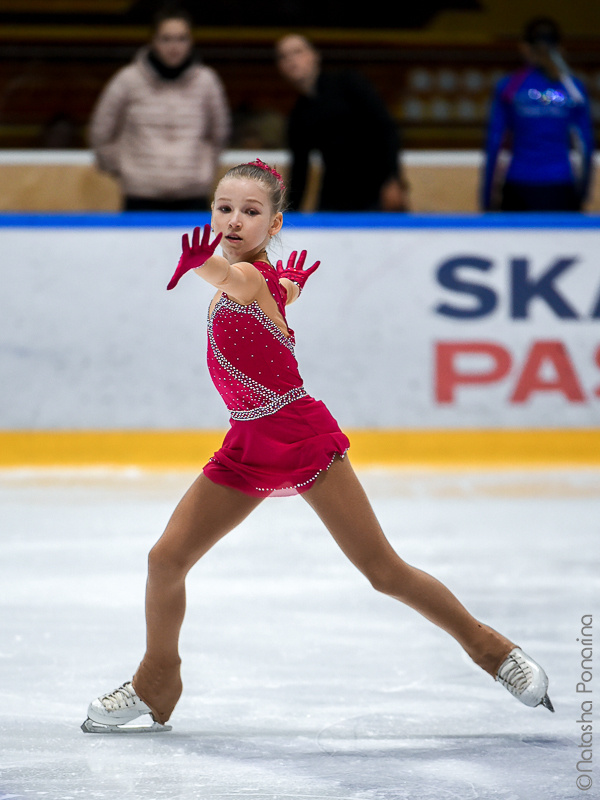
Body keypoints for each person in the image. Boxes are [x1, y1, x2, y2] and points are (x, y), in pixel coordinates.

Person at [83, 158, 553, 734]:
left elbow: (238, 282)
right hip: (248, 441)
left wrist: (202, 265)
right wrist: (292, 288)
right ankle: (157, 679)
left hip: (297, 434)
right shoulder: (271, 281)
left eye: (250, 212)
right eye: (224, 209)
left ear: (275, 222)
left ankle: (493, 651)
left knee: (383, 571)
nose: (234, 221)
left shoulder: (248, 278)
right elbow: (275, 294)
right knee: (165, 559)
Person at [88, 3, 230, 211]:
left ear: (191, 41)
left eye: (181, 38)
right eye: (166, 39)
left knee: (195, 245)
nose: (174, 46)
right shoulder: (127, 80)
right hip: (140, 195)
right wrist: (125, 170)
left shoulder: (207, 81)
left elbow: (220, 134)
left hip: (193, 194)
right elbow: (101, 133)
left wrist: (203, 168)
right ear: (153, 40)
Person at [275, 34, 408, 212]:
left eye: (297, 52)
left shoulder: (349, 82)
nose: (291, 60)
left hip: (376, 186)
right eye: (284, 56)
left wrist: (393, 179)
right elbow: (300, 169)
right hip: (336, 193)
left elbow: (386, 128)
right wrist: (288, 217)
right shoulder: (298, 114)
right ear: (280, 67)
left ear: (314, 55)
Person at [481, 17, 595, 212]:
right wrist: (582, 193)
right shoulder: (573, 89)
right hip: (561, 186)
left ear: (525, 48)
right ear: (559, 47)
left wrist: (486, 199)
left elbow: (494, 142)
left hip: (519, 187)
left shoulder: (509, 86)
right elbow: (585, 145)